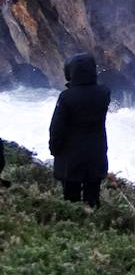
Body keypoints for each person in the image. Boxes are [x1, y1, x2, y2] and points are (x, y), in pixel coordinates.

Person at [48, 53, 110, 208]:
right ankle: (95, 228)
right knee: (93, 199)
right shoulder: (104, 93)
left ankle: (74, 228)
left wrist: (54, 149)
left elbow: (57, 128)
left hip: (70, 158)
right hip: (96, 154)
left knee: (71, 201)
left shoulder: (66, 97)